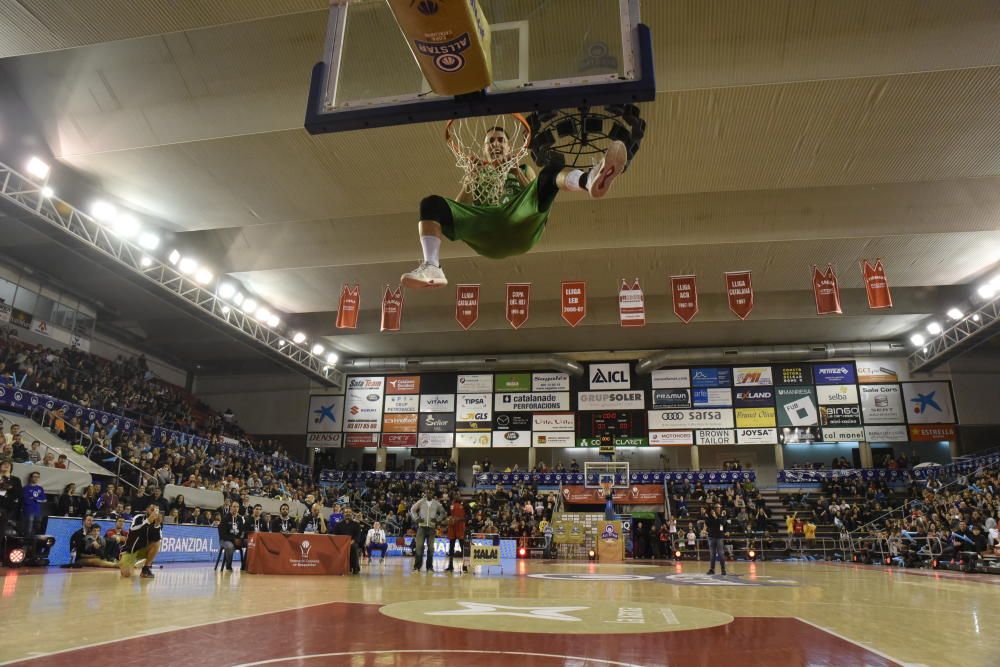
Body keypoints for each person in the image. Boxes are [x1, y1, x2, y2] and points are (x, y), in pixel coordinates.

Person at [399, 126, 627, 288]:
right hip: (485, 229)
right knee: (431, 204)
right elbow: (459, 210)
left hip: (520, 221)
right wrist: (471, 179)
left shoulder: (523, 168)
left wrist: (516, 171)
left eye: (501, 140)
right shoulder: (478, 173)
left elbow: (533, 193)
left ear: (509, 147)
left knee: (549, 172)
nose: (496, 144)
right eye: (491, 141)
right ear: (484, 149)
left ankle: (588, 181)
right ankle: (432, 266)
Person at [119, 504, 163, 578]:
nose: (154, 512)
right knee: (126, 574)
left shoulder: (157, 521)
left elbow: (157, 538)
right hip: (130, 550)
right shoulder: (138, 517)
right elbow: (133, 530)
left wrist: (157, 525)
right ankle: (134, 562)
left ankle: (146, 569)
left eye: (156, 510)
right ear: (147, 509)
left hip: (143, 549)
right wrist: (148, 521)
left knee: (157, 543)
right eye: (152, 509)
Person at [410, 488, 446, 572]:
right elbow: (412, 509)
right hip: (421, 527)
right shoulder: (421, 501)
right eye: (427, 492)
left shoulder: (436, 503)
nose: (429, 493)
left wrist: (438, 519)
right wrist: (416, 518)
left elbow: (443, 512)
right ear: (426, 493)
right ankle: (417, 567)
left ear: (432, 494)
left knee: (431, 548)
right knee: (419, 548)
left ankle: (429, 567)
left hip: (432, 528)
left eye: (430, 492)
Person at [218, 500, 247, 572]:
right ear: (231, 507)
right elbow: (222, 534)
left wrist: (241, 538)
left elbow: (242, 531)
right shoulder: (225, 518)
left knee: (250, 544)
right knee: (230, 547)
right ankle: (228, 566)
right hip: (225, 540)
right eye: (234, 506)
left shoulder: (240, 519)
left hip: (237, 540)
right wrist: (234, 540)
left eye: (237, 507)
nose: (235, 508)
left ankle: (244, 566)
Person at [332, 510, 361, 574]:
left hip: (352, 543)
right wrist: (342, 543)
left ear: (351, 514)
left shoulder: (356, 524)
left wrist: (350, 543)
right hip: (341, 544)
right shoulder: (338, 524)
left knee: (353, 547)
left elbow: (357, 536)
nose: (348, 513)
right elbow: (335, 536)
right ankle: (338, 567)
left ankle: (355, 568)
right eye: (346, 512)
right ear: (343, 514)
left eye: (349, 512)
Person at [704, 503, 728, 576]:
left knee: (721, 553)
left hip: (719, 537)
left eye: (719, 507)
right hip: (711, 537)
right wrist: (713, 519)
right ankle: (712, 569)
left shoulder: (722, 516)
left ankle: (723, 570)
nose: (718, 508)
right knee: (712, 554)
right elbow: (708, 523)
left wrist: (716, 518)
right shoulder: (710, 516)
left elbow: (723, 523)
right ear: (714, 508)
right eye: (717, 507)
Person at [446, 494, 466, 572]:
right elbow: (448, 515)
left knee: (460, 547)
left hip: (458, 527)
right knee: (453, 547)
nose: (457, 496)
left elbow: (468, 517)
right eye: (456, 495)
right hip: (454, 527)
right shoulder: (451, 505)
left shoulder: (464, 505)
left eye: (458, 495)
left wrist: (458, 519)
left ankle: (464, 566)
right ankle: (451, 566)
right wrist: (450, 519)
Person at [0, 461, 23, 531]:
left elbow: (19, 493)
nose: (6, 465)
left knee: (1, 529)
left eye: (8, 465)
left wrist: (9, 481)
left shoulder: (16, 480)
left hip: (6, 508)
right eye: (4, 464)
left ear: (11, 468)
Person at [21, 470, 46, 536]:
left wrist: (34, 498)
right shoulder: (26, 488)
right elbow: (26, 500)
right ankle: (26, 544)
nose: (36, 478)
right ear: (31, 478)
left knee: (37, 528)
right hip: (28, 510)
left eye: (38, 477)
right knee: (28, 529)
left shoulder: (40, 488)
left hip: (37, 511)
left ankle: (34, 544)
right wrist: (38, 499)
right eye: (34, 476)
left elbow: (44, 499)